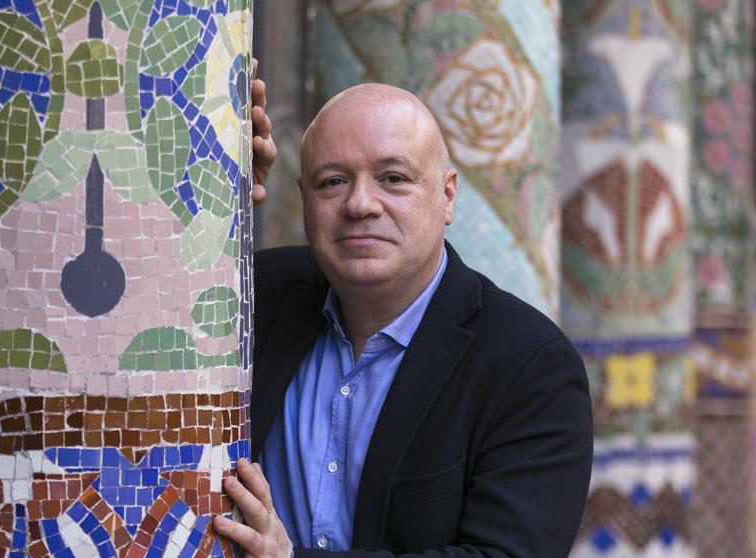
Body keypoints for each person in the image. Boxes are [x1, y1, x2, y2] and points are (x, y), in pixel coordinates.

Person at [217, 76, 593, 558]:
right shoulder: (251, 295)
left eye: (393, 178)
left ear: (447, 195)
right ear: (303, 198)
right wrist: (220, 195)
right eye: (332, 182)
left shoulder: (530, 366)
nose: (360, 204)